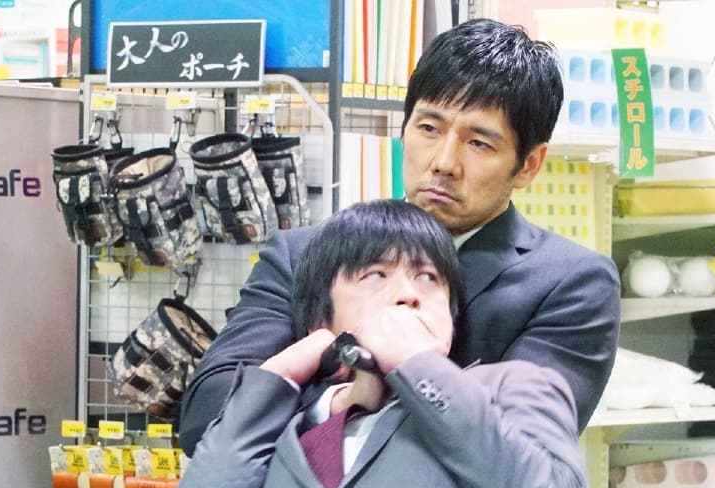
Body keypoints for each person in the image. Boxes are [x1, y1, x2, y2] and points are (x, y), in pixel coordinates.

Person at [178, 18, 621, 454]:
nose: (444, 162)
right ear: (404, 129)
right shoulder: (302, 254)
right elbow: (206, 416)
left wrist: (312, 392)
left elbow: (520, 454)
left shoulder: (569, 284)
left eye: (478, 143)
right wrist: (339, 402)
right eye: (429, 128)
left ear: (528, 165)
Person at [166, 200, 586, 488]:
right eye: (375, 274)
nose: (407, 293)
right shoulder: (286, 420)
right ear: (322, 317)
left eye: (428, 278)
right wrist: (277, 377)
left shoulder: (511, 385)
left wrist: (416, 364)